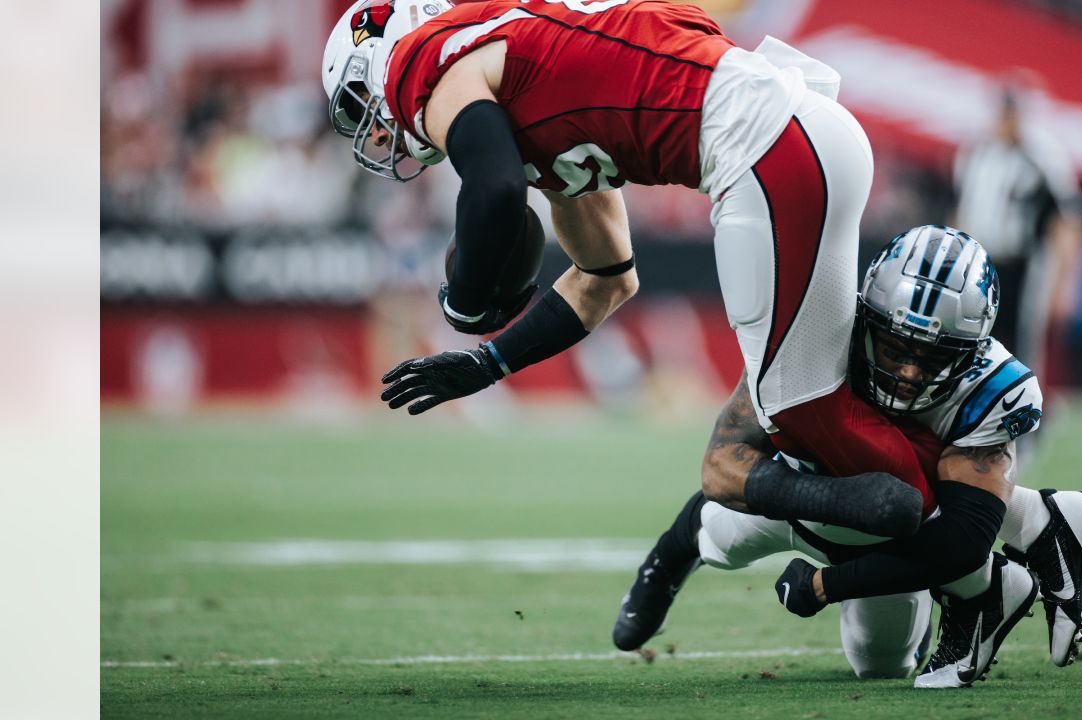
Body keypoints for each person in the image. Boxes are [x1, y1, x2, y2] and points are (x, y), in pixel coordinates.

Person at [322, 0, 935, 538]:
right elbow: (606, 280)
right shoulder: (534, 83)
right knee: (825, 399)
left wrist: (465, 299)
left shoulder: (419, 56)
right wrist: (488, 362)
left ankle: (970, 526)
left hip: (762, 148)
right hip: (807, 131)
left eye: (361, 102)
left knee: (800, 411)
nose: (377, 128)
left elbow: (495, 189)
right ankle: (970, 522)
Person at [613, 227, 1082, 688]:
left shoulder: (992, 388)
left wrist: (824, 585)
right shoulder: (813, 333)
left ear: (973, 352)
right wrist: (837, 498)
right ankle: (664, 563)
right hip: (800, 496)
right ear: (866, 318)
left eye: (934, 358)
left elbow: (961, 541)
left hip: (895, 541)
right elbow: (721, 465)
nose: (910, 372)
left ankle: (1014, 554)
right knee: (719, 535)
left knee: (879, 663)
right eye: (894, 347)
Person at [952, 78, 1082, 376]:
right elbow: (961, 209)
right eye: (1004, 110)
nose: (1007, 118)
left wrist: (1067, 279)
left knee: (1023, 338)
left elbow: (1066, 217)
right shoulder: (975, 152)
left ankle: (1025, 406)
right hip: (981, 261)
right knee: (974, 332)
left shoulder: (1042, 156)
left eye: (1013, 112)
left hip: (1025, 263)